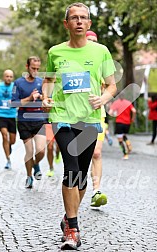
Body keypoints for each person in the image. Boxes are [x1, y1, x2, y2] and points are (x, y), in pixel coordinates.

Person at [42, 3, 117, 250]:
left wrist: (103, 99)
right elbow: (49, 81)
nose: (79, 22)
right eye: (74, 18)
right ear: (66, 24)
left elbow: (111, 86)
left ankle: (67, 217)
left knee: (81, 176)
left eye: (83, 18)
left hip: (89, 119)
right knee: (71, 165)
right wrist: (46, 97)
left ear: (89, 24)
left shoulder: (101, 52)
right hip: (62, 116)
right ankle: (73, 229)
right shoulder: (55, 52)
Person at [11, 56, 47, 189]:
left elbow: (47, 99)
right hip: (24, 121)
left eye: (38, 69)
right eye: (33, 68)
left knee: (41, 151)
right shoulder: (18, 83)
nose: (35, 71)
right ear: (27, 67)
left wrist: (43, 98)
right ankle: (29, 176)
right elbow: (14, 103)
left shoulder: (41, 82)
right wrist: (30, 98)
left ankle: (36, 164)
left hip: (39, 120)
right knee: (29, 151)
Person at [86, 30, 107, 207]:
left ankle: (96, 191)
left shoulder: (102, 63)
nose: (92, 43)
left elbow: (111, 87)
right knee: (78, 157)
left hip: (98, 115)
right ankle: (77, 186)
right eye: (89, 40)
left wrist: (103, 97)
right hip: (76, 116)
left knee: (97, 152)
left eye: (95, 40)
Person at [0, 70, 17, 169]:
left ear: (12, 78)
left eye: (10, 76)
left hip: (12, 115)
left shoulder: (15, 86)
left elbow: (19, 98)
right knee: (4, 135)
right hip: (1, 115)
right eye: (7, 76)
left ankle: (9, 146)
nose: (9, 78)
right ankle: (8, 159)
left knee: (13, 140)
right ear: (3, 77)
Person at [109, 93, 136, 160]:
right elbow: (134, 111)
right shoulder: (128, 102)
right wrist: (133, 119)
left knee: (120, 139)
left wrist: (113, 111)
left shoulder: (116, 103)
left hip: (119, 123)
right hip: (127, 123)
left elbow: (110, 112)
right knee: (124, 135)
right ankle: (128, 143)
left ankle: (125, 154)